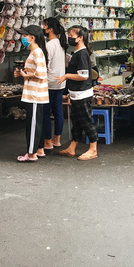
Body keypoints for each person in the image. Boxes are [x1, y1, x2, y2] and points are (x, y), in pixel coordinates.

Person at [56, 26, 98, 161]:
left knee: (86, 121)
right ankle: (72, 147)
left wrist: (67, 75)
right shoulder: (77, 52)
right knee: (77, 122)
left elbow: (84, 75)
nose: (69, 37)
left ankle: (93, 149)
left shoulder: (82, 54)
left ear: (80, 38)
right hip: (76, 93)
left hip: (82, 94)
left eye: (71, 35)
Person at [14, 25, 49, 162]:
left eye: (24, 35)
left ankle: (31, 154)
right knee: (36, 123)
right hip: (34, 93)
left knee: (33, 124)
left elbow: (41, 74)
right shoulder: (34, 52)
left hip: (35, 94)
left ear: (32, 38)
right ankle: (39, 150)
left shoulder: (37, 52)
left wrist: (25, 75)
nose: (23, 38)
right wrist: (23, 74)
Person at [41, 17, 67, 151]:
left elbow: (46, 64)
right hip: (60, 82)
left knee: (46, 113)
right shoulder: (61, 43)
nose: (43, 29)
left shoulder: (49, 45)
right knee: (58, 112)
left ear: (50, 29)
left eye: (44, 26)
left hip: (50, 82)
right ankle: (57, 139)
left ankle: (47, 141)